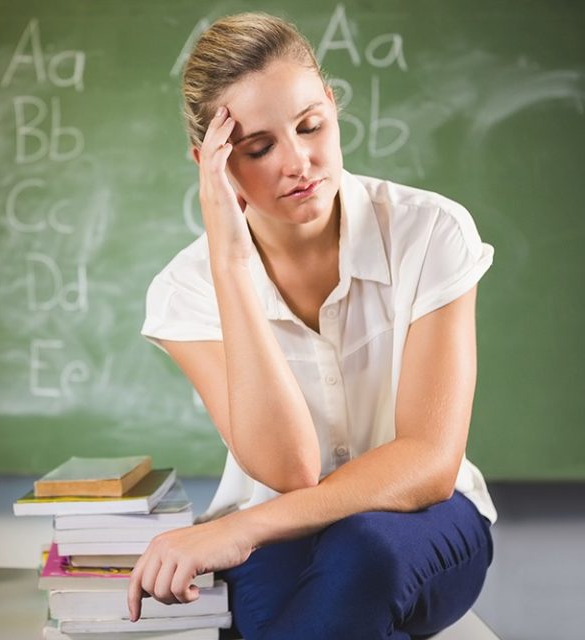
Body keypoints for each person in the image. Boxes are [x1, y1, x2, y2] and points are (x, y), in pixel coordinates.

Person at [129, 12, 495, 640]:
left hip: (425, 522)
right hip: (280, 541)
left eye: (310, 125)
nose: (299, 161)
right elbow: (290, 467)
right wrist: (231, 264)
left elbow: (430, 461)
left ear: (331, 104)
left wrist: (241, 528)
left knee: (363, 552)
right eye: (260, 147)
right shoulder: (185, 290)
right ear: (211, 164)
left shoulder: (431, 232)